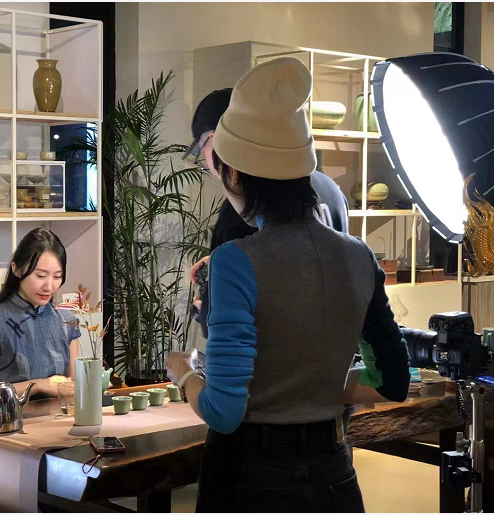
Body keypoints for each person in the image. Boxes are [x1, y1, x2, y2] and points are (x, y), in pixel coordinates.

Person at [166, 57, 410, 512]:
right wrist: (315, 387)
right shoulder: (359, 256)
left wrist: (184, 374)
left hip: (250, 478)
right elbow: (393, 381)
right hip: (334, 475)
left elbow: (223, 411)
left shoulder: (236, 260)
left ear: (235, 173)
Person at [184, 88, 350, 336]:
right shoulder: (330, 189)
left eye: (202, 148)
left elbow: (218, 323)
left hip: (272, 354)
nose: (208, 164)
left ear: (218, 140)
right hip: (333, 347)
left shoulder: (245, 207)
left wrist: (203, 308)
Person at [0, 228, 81, 397]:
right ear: (16, 269)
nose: (49, 286)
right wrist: (37, 385)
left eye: (57, 277)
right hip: (12, 414)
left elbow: (75, 385)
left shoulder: (66, 320)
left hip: (60, 413)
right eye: (40, 276)